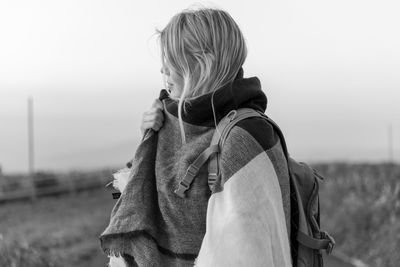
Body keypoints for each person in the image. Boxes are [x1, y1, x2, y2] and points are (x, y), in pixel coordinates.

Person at [100, 6, 292, 267]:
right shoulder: (171, 121)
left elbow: (247, 254)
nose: (162, 70)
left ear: (203, 63)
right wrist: (149, 139)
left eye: (171, 60)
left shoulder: (246, 138)